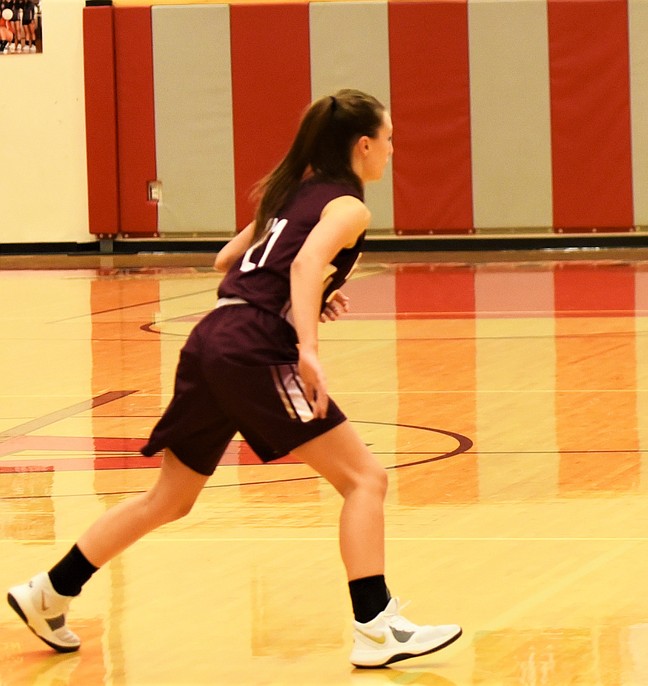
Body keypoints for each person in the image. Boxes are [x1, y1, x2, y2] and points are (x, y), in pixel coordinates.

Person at [7, 89, 462, 667]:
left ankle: (50, 590)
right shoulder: (349, 206)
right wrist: (309, 346)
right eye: (390, 139)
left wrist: (311, 296)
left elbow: (229, 261)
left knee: (170, 498)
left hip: (210, 339)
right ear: (364, 144)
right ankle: (377, 625)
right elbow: (299, 264)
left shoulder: (288, 193)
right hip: (252, 350)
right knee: (365, 480)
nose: (393, 151)